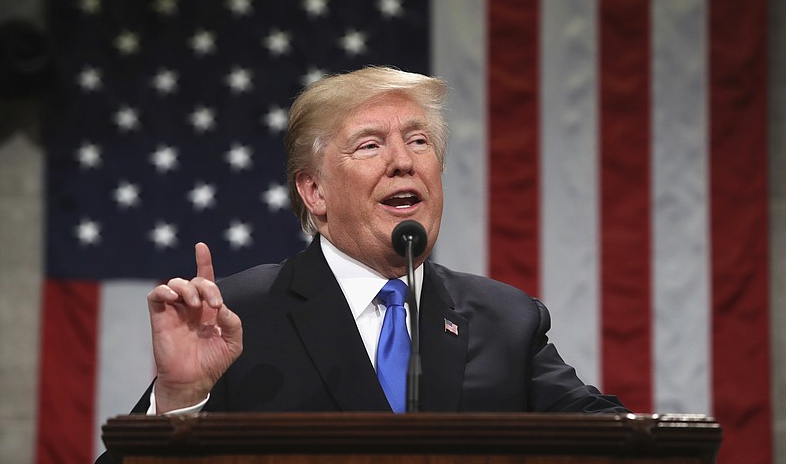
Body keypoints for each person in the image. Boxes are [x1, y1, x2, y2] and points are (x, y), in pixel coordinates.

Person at [99, 66, 626, 461]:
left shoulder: (505, 318)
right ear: (314, 192)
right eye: (370, 145)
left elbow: (613, 440)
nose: (404, 160)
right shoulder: (241, 318)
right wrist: (180, 402)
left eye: (419, 141)